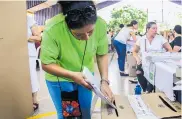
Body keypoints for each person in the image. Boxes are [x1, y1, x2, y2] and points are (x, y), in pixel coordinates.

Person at [40, 1, 114, 119]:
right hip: (60, 78)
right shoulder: (53, 29)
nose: (86, 38)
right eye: (79, 35)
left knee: (85, 112)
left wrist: (104, 81)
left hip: (86, 77)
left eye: (90, 32)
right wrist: (72, 75)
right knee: (68, 115)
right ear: (67, 25)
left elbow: (101, 54)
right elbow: (46, 63)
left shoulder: (100, 24)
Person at [132, 22, 172, 93]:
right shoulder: (141, 39)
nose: (155, 30)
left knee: (152, 76)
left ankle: (148, 91)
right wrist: (137, 58)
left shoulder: (160, 39)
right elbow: (134, 51)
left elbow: (169, 49)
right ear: (147, 29)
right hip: (144, 62)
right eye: (153, 28)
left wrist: (163, 57)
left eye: (156, 28)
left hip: (156, 64)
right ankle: (145, 89)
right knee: (138, 72)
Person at [27, 14, 41, 111]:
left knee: (31, 76)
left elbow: (38, 37)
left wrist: (25, 38)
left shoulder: (28, 17)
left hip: (28, 53)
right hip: (11, 54)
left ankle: (34, 100)